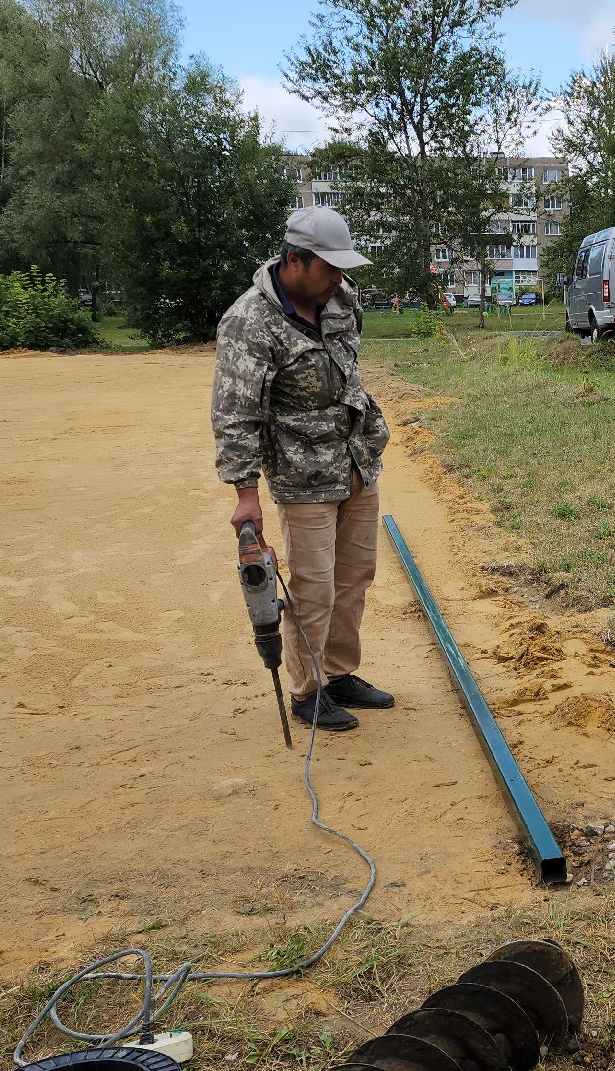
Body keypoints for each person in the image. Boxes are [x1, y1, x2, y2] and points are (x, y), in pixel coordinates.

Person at [212, 206, 396, 732]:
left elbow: (348, 370)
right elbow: (235, 412)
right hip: (302, 475)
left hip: (356, 460)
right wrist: (245, 494)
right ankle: (308, 690)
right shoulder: (250, 321)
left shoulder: (342, 297)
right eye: (329, 267)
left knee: (354, 578)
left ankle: (338, 674)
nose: (339, 278)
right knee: (314, 587)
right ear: (295, 260)